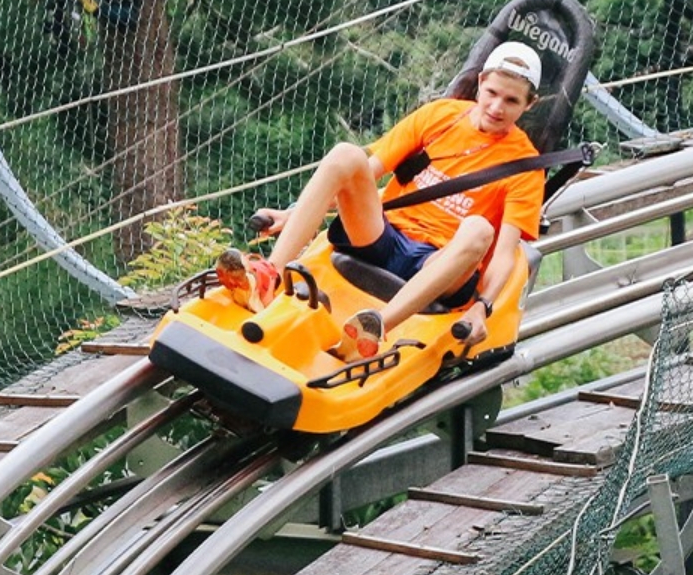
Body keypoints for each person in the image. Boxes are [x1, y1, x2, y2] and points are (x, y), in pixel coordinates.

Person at [217, 42, 547, 360]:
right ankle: (268, 275)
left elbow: (505, 254)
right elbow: (360, 177)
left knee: (478, 228)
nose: (496, 107)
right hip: (384, 236)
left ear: (528, 105)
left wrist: (482, 306)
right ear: (480, 83)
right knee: (347, 154)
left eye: (511, 101)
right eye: (491, 93)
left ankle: (374, 328)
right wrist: (295, 216)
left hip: (439, 264)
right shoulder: (439, 116)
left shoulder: (525, 166)